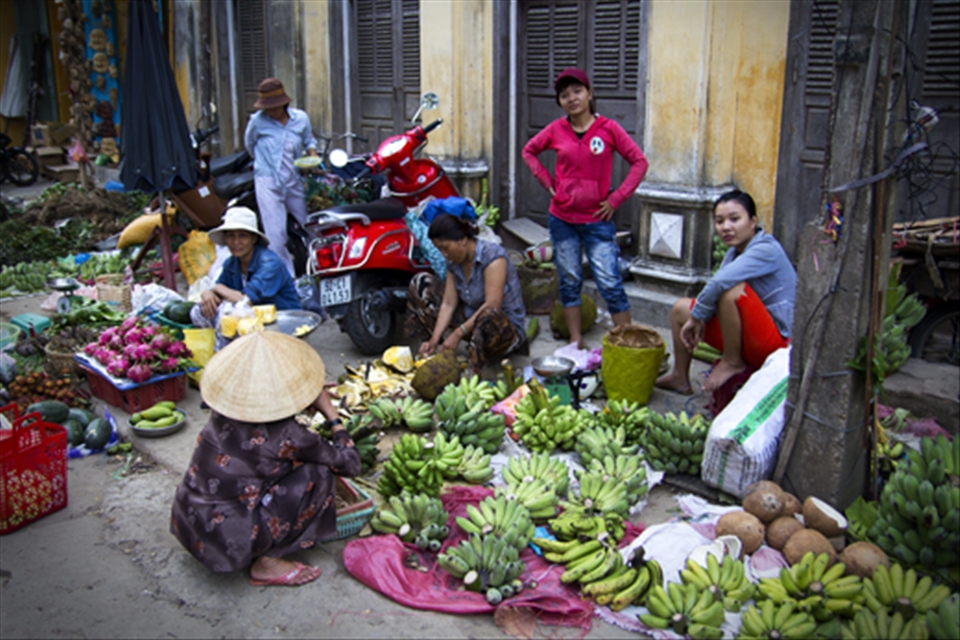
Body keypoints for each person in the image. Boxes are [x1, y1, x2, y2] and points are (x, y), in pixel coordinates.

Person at [170, 331, 360, 586]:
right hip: (230, 540)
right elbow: (350, 463)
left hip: (191, 522)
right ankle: (268, 561)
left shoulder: (223, 412)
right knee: (319, 474)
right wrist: (332, 415)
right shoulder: (289, 435)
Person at [522, 67, 649, 348]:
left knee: (610, 282)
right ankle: (576, 341)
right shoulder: (556, 129)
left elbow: (639, 162)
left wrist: (616, 199)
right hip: (562, 219)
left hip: (597, 220)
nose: (572, 98)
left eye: (577, 91)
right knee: (569, 279)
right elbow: (528, 150)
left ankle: (626, 342)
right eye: (565, 95)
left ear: (589, 94)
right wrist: (547, 181)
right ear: (560, 102)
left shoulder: (609, 129)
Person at [655, 189, 796, 395]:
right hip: (751, 334)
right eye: (720, 221)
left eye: (735, 219)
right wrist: (696, 316)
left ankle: (732, 361)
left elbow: (721, 282)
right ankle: (679, 377)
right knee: (680, 309)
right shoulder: (733, 253)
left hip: (777, 343)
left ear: (753, 221)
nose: (726, 227)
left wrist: (698, 316)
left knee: (731, 290)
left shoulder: (766, 249)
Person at [406, 214, 527, 373]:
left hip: (503, 331)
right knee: (420, 282)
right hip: (471, 325)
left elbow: (493, 304)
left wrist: (457, 334)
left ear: (463, 239)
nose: (444, 254)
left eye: (445, 248)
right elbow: (448, 303)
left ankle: (473, 374)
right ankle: (425, 356)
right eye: (439, 250)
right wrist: (434, 338)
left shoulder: (492, 257)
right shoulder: (453, 262)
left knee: (489, 312)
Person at [190, 207, 301, 344]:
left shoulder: (270, 263)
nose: (236, 242)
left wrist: (217, 288)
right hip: (254, 322)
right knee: (200, 310)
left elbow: (244, 300)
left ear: (253, 238)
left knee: (230, 313)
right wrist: (208, 292)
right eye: (231, 236)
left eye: (242, 236)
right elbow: (220, 292)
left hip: (282, 322)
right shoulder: (231, 264)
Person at [244, 77, 318, 278]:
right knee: (276, 238)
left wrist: (313, 155)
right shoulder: (257, 122)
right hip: (268, 182)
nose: (271, 112)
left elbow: (308, 140)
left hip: (294, 180)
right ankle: (288, 281)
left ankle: (321, 270)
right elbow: (250, 145)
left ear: (284, 104)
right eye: (267, 108)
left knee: (313, 225)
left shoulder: (300, 119)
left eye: (274, 108)